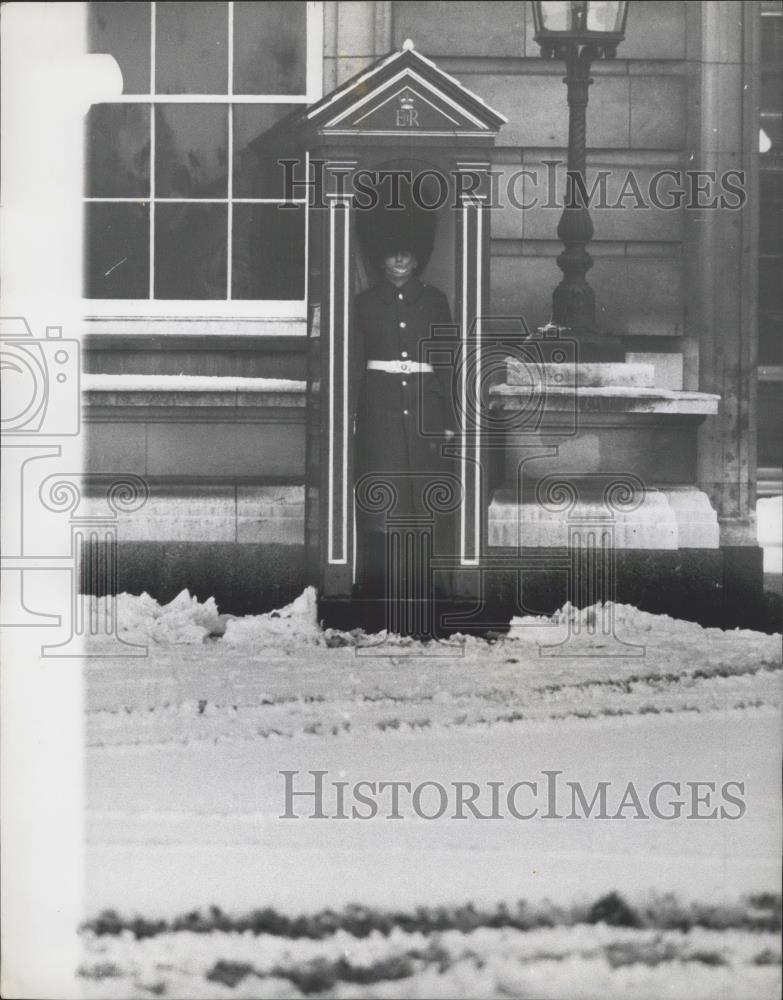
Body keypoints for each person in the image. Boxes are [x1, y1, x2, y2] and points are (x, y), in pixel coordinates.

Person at [353, 222, 458, 621]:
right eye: (391, 253)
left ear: (417, 259)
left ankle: (422, 589)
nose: (399, 259)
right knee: (384, 504)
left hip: (424, 412)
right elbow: (355, 363)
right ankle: (380, 592)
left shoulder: (435, 301)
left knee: (421, 503)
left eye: (406, 253)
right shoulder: (365, 304)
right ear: (380, 259)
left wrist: (449, 417)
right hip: (379, 414)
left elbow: (446, 363)